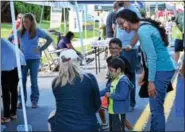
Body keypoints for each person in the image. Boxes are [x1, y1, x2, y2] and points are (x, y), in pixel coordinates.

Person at [115, 9, 175, 131]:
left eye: (122, 23)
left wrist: (151, 81)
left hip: (161, 70)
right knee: (155, 108)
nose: (121, 27)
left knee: (156, 110)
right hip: (162, 69)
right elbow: (148, 55)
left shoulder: (142, 31)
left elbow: (152, 56)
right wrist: (145, 73)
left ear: (129, 19)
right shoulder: (143, 26)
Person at [48, 49, 101, 132]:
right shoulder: (89, 78)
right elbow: (97, 105)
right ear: (76, 61)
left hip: (62, 127)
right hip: (88, 126)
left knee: (52, 115)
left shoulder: (56, 82)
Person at [8, 13, 53, 108]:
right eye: (24, 22)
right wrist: (16, 49)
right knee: (22, 81)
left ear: (32, 22)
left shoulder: (37, 31)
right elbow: (9, 38)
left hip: (35, 60)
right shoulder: (20, 32)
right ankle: (22, 101)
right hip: (23, 60)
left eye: (27, 22)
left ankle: (34, 101)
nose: (25, 24)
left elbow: (49, 39)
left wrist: (41, 49)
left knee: (34, 81)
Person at [114, 1, 142, 110]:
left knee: (129, 76)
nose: (121, 26)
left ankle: (131, 102)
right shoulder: (121, 11)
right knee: (118, 74)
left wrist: (130, 45)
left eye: (122, 24)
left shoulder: (134, 10)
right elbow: (117, 29)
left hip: (129, 49)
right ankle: (121, 98)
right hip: (120, 48)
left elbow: (138, 29)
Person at [100, 57, 133, 132]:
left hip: (118, 111)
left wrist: (111, 95)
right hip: (112, 110)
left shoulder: (123, 81)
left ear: (118, 70)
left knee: (118, 129)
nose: (109, 72)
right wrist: (95, 92)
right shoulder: (115, 78)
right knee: (113, 128)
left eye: (111, 70)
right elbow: (106, 90)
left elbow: (123, 96)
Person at [1, 38, 26, 124]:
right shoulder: (3, 40)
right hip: (19, 62)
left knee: (5, 90)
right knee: (13, 89)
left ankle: (6, 116)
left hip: (9, 64)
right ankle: (13, 113)